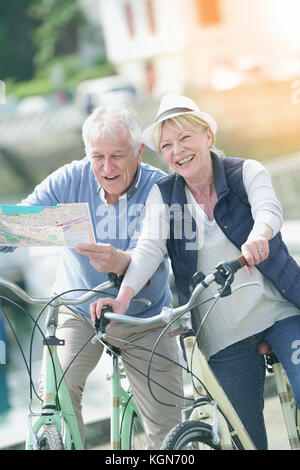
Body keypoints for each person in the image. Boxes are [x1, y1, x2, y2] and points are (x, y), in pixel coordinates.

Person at [91, 94, 300, 450]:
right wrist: (122, 299)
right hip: (220, 334)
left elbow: (268, 209)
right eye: (167, 145)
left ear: (207, 136)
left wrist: (258, 238)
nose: (177, 151)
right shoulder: (165, 196)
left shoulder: (245, 171)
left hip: (279, 312)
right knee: (246, 441)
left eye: (185, 138)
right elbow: (149, 249)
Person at [0, 104, 183, 449]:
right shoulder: (70, 178)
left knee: (168, 433)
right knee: (57, 395)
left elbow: (148, 254)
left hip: (142, 316)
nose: (107, 167)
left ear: (139, 151)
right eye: (97, 157)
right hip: (78, 310)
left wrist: (120, 262)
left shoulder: (160, 188)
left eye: (117, 156)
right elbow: (16, 228)